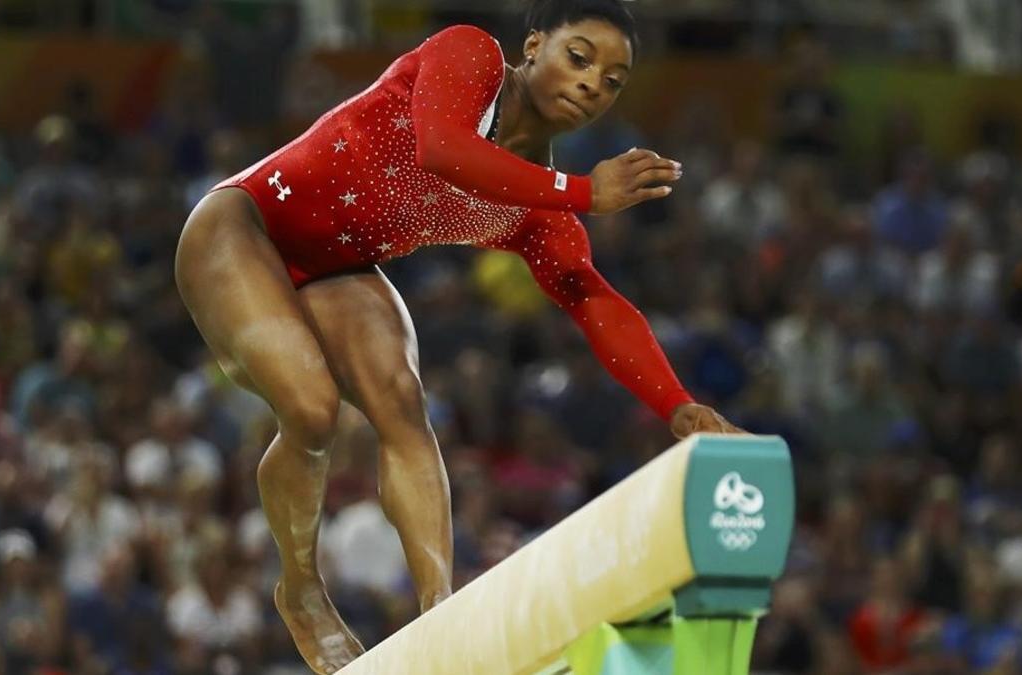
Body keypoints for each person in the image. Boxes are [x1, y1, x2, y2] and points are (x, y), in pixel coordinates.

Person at [174, 1, 743, 671]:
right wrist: (584, 190)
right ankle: (300, 588)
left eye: (613, 80)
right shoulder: (470, 57)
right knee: (312, 408)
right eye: (579, 57)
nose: (593, 84)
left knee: (402, 402)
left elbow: (594, 300)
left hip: (340, 268)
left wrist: (677, 403)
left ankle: (440, 618)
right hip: (244, 225)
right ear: (532, 47)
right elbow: (442, 148)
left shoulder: (541, 209)